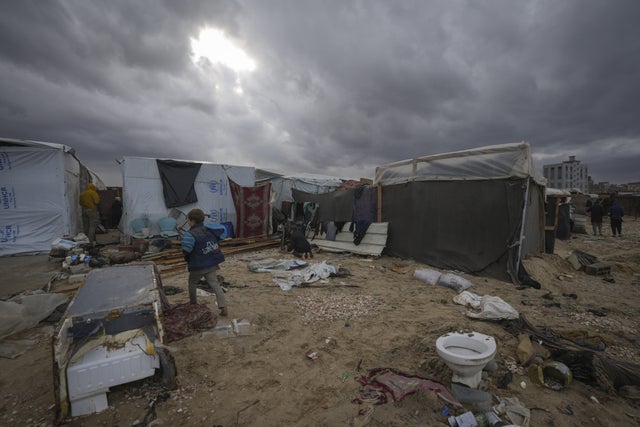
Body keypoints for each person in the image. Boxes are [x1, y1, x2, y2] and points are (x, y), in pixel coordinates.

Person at [181, 208, 228, 316]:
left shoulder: (190, 234)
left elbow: (186, 250)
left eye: (188, 221)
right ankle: (223, 307)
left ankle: (193, 305)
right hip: (211, 264)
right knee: (215, 284)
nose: (188, 223)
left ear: (192, 221)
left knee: (192, 283)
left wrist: (186, 256)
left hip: (197, 266)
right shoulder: (210, 230)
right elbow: (220, 236)